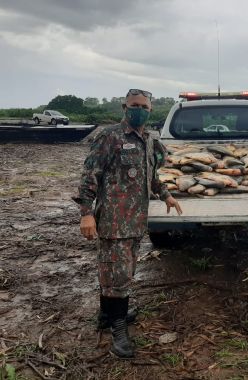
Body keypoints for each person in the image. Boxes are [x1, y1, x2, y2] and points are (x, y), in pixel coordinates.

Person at [73, 89, 182, 358]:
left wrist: (166, 195)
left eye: (144, 106)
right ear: (125, 107)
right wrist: (86, 213)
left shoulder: (147, 139)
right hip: (113, 221)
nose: (139, 110)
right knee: (118, 276)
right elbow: (89, 176)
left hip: (135, 222)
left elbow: (151, 176)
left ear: (150, 110)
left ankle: (105, 314)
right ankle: (118, 328)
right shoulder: (110, 137)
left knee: (117, 273)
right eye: (134, 105)